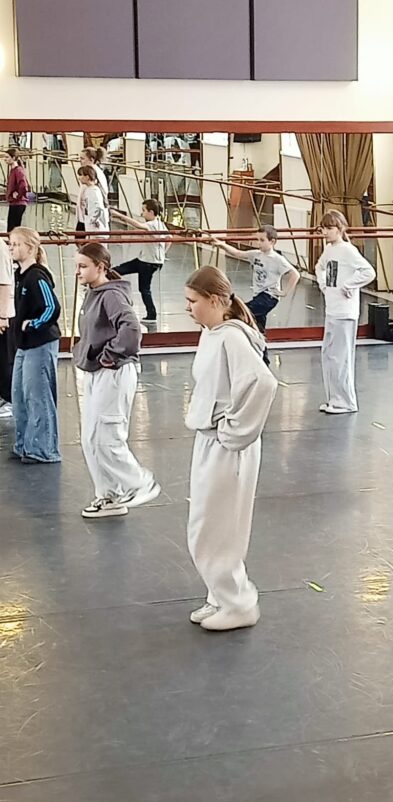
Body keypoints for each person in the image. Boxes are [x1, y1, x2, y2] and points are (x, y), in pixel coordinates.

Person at [184, 266, 277, 631]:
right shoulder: (213, 334)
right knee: (210, 523)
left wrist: (234, 432)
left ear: (214, 301)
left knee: (217, 527)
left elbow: (263, 383)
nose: (188, 308)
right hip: (212, 440)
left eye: (193, 301)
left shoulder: (232, 338)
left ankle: (238, 603)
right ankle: (221, 595)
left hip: (227, 446)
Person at [73, 242, 160, 519]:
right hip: (97, 371)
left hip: (114, 372)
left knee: (108, 436)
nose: (78, 271)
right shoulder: (94, 293)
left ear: (101, 267)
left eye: (83, 266)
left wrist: (111, 354)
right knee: (90, 438)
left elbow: (132, 328)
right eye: (77, 266)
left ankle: (140, 482)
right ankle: (109, 496)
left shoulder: (111, 295)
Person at [7, 228, 61, 463]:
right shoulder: (21, 275)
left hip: (40, 343)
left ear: (30, 248)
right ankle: (25, 445)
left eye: (16, 244)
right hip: (25, 345)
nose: (11, 248)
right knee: (20, 396)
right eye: (10, 244)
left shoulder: (36, 277)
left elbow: (52, 307)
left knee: (38, 396)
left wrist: (33, 325)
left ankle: (43, 449)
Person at [315, 210, 376, 414]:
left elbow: (368, 272)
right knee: (329, 355)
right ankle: (334, 398)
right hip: (332, 310)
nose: (325, 232)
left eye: (329, 228)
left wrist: (349, 285)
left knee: (341, 357)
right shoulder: (329, 250)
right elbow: (319, 267)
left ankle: (346, 402)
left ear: (340, 228)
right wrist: (323, 285)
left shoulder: (348, 250)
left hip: (345, 312)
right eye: (323, 228)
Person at [210, 225, 300, 335]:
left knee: (243, 311)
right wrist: (222, 245)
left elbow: (295, 274)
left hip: (269, 296)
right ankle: (260, 341)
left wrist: (285, 292)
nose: (259, 243)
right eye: (258, 240)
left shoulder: (277, 259)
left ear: (272, 242)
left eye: (262, 240)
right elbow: (238, 253)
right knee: (258, 325)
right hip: (258, 295)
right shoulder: (256, 254)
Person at [111, 199, 170, 325]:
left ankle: (151, 314)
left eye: (144, 210)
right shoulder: (160, 224)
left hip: (148, 263)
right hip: (145, 260)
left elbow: (138, 225)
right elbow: (169, 238)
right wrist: (163, 254)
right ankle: (116, 285)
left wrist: (119, 215)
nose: (142, 213)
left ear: (151, 212)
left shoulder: (152, 224)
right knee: (119, 270)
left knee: (144, 289)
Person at [0, 235, 14, 418]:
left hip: (2, 314)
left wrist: (2, 316)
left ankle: (9, 399)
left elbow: (4, 283)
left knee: (4, 357)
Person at [76, 166, 109, 235]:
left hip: (96, 229)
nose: (79, 178)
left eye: (81, 175)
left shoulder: (93, 191)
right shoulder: (90, 189)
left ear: (87, 177)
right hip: (92, 228)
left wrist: (92, 220)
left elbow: (98, 208)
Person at [3, 148, 30, 232]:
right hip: (14, 202)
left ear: (13, 158)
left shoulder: (18, 170)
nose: (5, 159)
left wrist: (18, 195)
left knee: (14, 228)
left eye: (7, 157)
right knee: (11, 227)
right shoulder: (13, 170)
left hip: (18, 203)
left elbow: (23, 185)